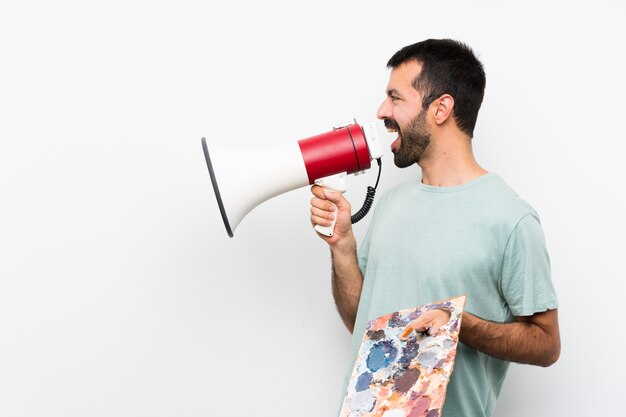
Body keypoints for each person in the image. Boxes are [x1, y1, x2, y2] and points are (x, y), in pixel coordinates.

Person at [309, 39, 560, 417]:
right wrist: (342, 245)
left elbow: (546, 344)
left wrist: (457, 324)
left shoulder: (510, 219)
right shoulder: (392, 205)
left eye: (396, 98)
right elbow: (362, 325)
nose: (381, 111)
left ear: (440, 108)